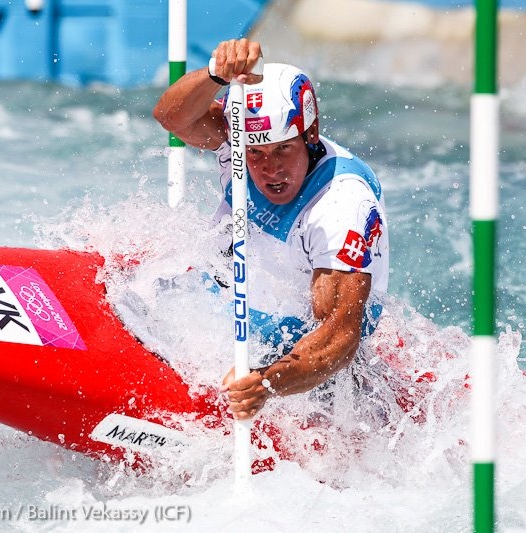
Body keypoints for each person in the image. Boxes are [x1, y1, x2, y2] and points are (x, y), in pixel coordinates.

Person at [153, 38, 389, 421]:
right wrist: (216, 74)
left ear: (310, 134)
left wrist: (265, 383)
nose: (270, 169)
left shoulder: (341, 207)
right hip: (221, 305)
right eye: (256, 153)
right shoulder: (237, 138)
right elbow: (171, 118)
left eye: (283, 150)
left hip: (297, 359)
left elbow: (339, 336)